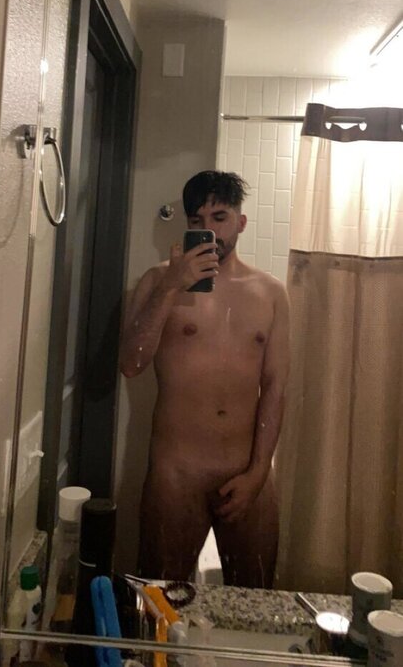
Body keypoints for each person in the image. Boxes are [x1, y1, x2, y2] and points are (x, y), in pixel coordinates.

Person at [118, 170, 290, 587]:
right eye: (197, 220)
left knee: (255, 600)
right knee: (161, 601)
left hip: (246, 473)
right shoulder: (158, 281)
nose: (209, 229)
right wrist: (171, 288)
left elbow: (275, 386)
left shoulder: (270, 293)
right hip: (176, 475)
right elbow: (131, 363)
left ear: (241, 222)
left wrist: (258, 472)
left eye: (220, 217)